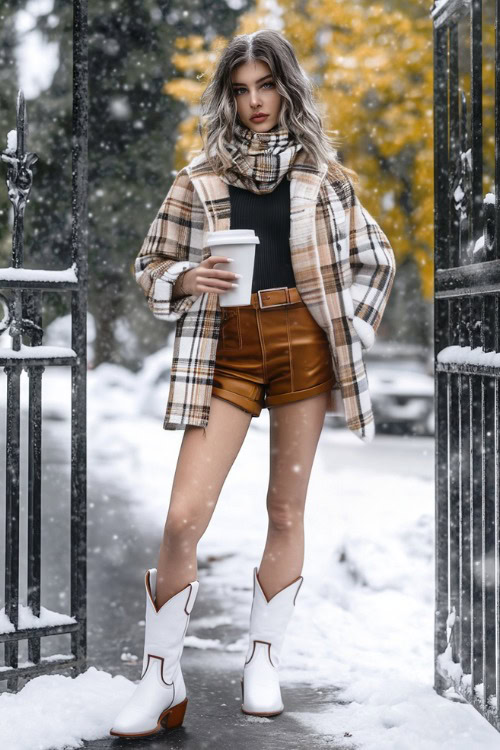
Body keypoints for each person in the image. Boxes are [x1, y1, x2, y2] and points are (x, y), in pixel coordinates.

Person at [110, 29, 396, 738]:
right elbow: (150, 265)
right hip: (225, 354)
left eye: (266, 85)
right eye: (240, 90)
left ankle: (263, 658)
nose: (255, 101)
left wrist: (347, 330)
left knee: (285, 510)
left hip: (302, 346)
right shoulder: (198, 178)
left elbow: (377, 260)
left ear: (286, 88)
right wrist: (185, 276)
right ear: (227, 98)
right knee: (183, 518)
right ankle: (160, 676)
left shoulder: (324, 178)